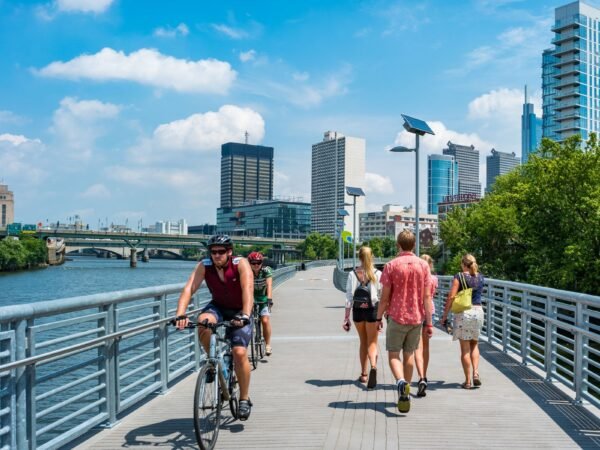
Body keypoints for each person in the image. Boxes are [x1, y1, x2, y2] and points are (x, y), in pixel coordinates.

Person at [175, 234, 255, 420]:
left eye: (221, 252)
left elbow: (248, 289)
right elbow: (189, 288)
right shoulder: (205, 265)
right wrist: (180, 313)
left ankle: (244, 398)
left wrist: (245, 315)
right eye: (213, 252)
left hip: (239, 309)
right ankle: (212, 363)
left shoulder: (240, 263)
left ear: (229, 252)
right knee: (203, 322)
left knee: (239, 352)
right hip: (218, 306)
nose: (216, 255)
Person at [377, 230, 433, 414]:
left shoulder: (391, 265)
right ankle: (406, 391)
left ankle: (400, 382)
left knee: (394, 355)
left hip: (396, 316)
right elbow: (427, 297)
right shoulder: (424, 266)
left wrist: (378, 318)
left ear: (398, 245)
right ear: (414, 245)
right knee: (409, 354)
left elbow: (384, 298)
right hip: (417, 318)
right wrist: (429, 323)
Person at [441, 253, 485, 390]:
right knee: (475, 344)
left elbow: (451, 297)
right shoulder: (480, 277)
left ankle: (467, 381)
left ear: (463, 264)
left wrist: (444, 316)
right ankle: (476, 373)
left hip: (464, 314)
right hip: (478, 312)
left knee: (465, 349)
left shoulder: (459, 277)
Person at [343, 246, 382, 389]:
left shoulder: (353, 274)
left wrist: (346, 318)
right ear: (372, 257)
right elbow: (381, 296)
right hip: (373, 310)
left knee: (363, 342)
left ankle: (364, 374)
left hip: (358, 311)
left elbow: (348, 297)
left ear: (359, 257)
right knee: (372, 342)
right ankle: (373, 365)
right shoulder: (378, 274)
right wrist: (381, 316)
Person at [414, 254, 438, 397]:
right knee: (426, 347)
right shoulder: (434, 279)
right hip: (430, 311)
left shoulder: (417, 278)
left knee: (417, 347)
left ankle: (420, 376)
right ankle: (425, 374)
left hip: (417, 312)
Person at [248, 251, 274, 356]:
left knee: (265, 320)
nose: (256, 265)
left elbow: (269, 284)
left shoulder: (266, 270)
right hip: (250, 298)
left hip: (263, 299)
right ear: (249, 263)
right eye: (253, 263)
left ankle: (268, 345)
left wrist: (269, 298)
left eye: (258, 263)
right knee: (246, 321)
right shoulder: (247, 271)